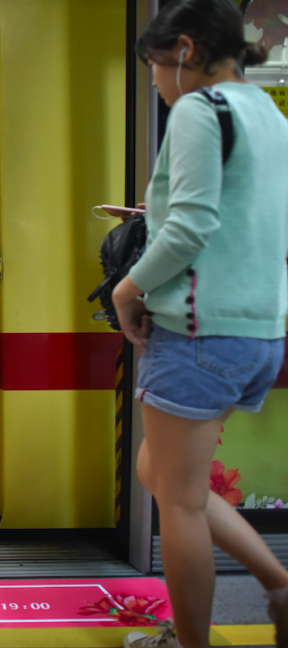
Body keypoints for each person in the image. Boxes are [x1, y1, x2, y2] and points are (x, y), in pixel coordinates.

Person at [114, 3, 288, 648]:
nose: (158, 86)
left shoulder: (199, 108)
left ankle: (187, 643)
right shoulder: (268, 113)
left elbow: (189, 228)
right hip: (259, 331)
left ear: (184, 50)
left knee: (178, 501)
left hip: (196, 332)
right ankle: (279, 583)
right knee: (158, 472)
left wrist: (126, 288)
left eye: (158, 69)